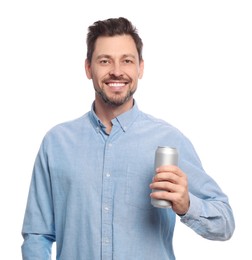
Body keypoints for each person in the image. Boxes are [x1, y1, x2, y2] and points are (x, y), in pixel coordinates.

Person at [21, 17, 235, 260]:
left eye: (127, 61)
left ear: (140, 68)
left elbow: (224, 223)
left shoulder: (169, 140)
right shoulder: (56, 143)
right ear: (88, 68)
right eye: (104, 61)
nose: (117, 71)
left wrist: (187, 205)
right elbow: (37, 235)